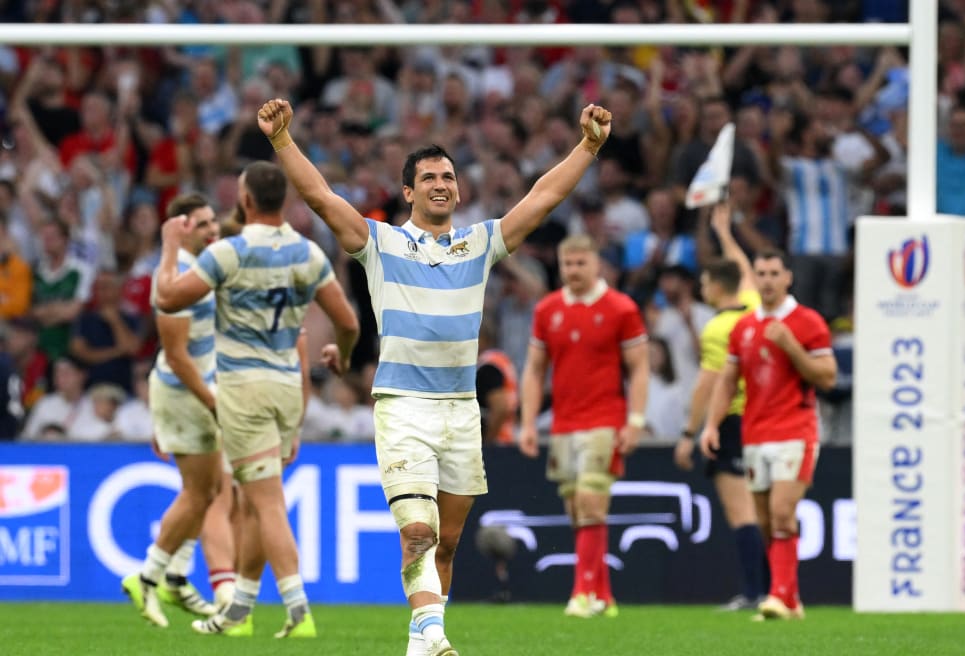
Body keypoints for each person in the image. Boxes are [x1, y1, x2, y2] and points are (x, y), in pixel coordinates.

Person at [257, 96, 612, 656]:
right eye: (428, 177)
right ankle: (434, 635)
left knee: (445, 545)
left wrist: (588, 147)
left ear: (458, 189)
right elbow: (321, 197)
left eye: (448, 176)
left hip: (461, 411)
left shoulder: (479, 244)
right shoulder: (380, 243)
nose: (440, 184)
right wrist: (282, 142)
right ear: (408, 191)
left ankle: (421, 641)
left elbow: (543, 197)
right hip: (403, 405)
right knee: (417, 531)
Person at [153, 166, 361, 638]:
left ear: (246, 200)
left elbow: (168, 298)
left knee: (265, 502)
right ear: (282, 200)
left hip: (244, 390)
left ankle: (297, 608)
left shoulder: (230, 252)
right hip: (288, 387)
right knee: (251, 501)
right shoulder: (306, 252)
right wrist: (341, 356)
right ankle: (240, 608)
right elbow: (347, 322)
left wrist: (169, 245)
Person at [700, 249, 836, 620]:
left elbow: (827, 376)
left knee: (781, 513)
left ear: (788, 278)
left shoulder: (807, 322)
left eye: (774, 273)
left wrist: (791, 346)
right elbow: (728, 380)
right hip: (755, 431)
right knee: (763, 522)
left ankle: (777, 595)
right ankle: (789, 600)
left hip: (795, 428)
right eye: (761, 274)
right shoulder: (743, 327)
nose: (767, 281)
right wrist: (712, 424)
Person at [519, 234, 650, 619]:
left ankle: (581, 594)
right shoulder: (548, 309)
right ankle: (603, 595)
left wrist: (635, 420)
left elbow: (639, 368)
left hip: (604, 420)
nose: (573, 271)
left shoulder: (621, 308)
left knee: (592, 503)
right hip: (563, 423)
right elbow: (534, 369)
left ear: (597, 265)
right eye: (567, 264)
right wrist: (527, 422)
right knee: (578, 509)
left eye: (580, 263)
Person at [120, 193, 235, 627]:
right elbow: (178, 354)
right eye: (202, 223)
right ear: (182, 229)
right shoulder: (177, 274)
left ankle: (177, 575)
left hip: (191, 390)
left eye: (213, 220)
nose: (213, 229)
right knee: (196, 493)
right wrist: (211, 402)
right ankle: (147, 578)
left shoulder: (199, 269)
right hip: (188, 392)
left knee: (208, 491)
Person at [674, 202, 767, 611]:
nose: (703, 290)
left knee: (741, 511)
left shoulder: (717, 328)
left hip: (730, 423)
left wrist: (689, 434)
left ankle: (754, 592)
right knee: (765, 511)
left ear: (715, 286)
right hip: (764, 419)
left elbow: (707, 386)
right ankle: (776, 589)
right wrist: (725, 233)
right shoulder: (755, 310)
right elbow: (743, 268)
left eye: (706, 283)